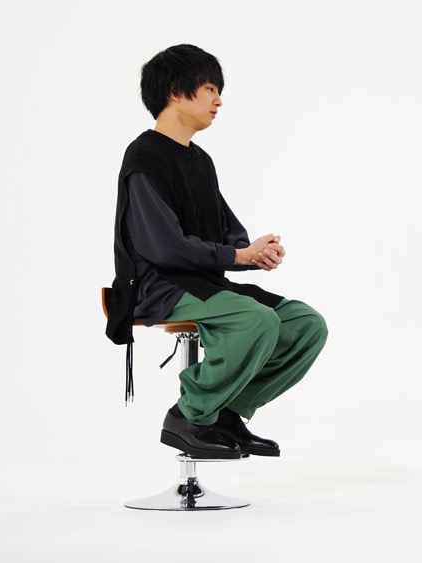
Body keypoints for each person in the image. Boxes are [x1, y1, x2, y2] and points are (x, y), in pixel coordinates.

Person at [105, 44, 328, 460]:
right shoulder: (145, 157)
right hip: (159, 287)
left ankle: (224, 412)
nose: (218, 100)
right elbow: (164, 247)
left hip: (204, 284)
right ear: (176, 91)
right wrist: (235, 257)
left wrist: (253, 252)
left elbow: (228, 233)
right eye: (210, 89)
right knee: (256, 320)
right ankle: (188, 414)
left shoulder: (201, 162)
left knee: (305, 324)